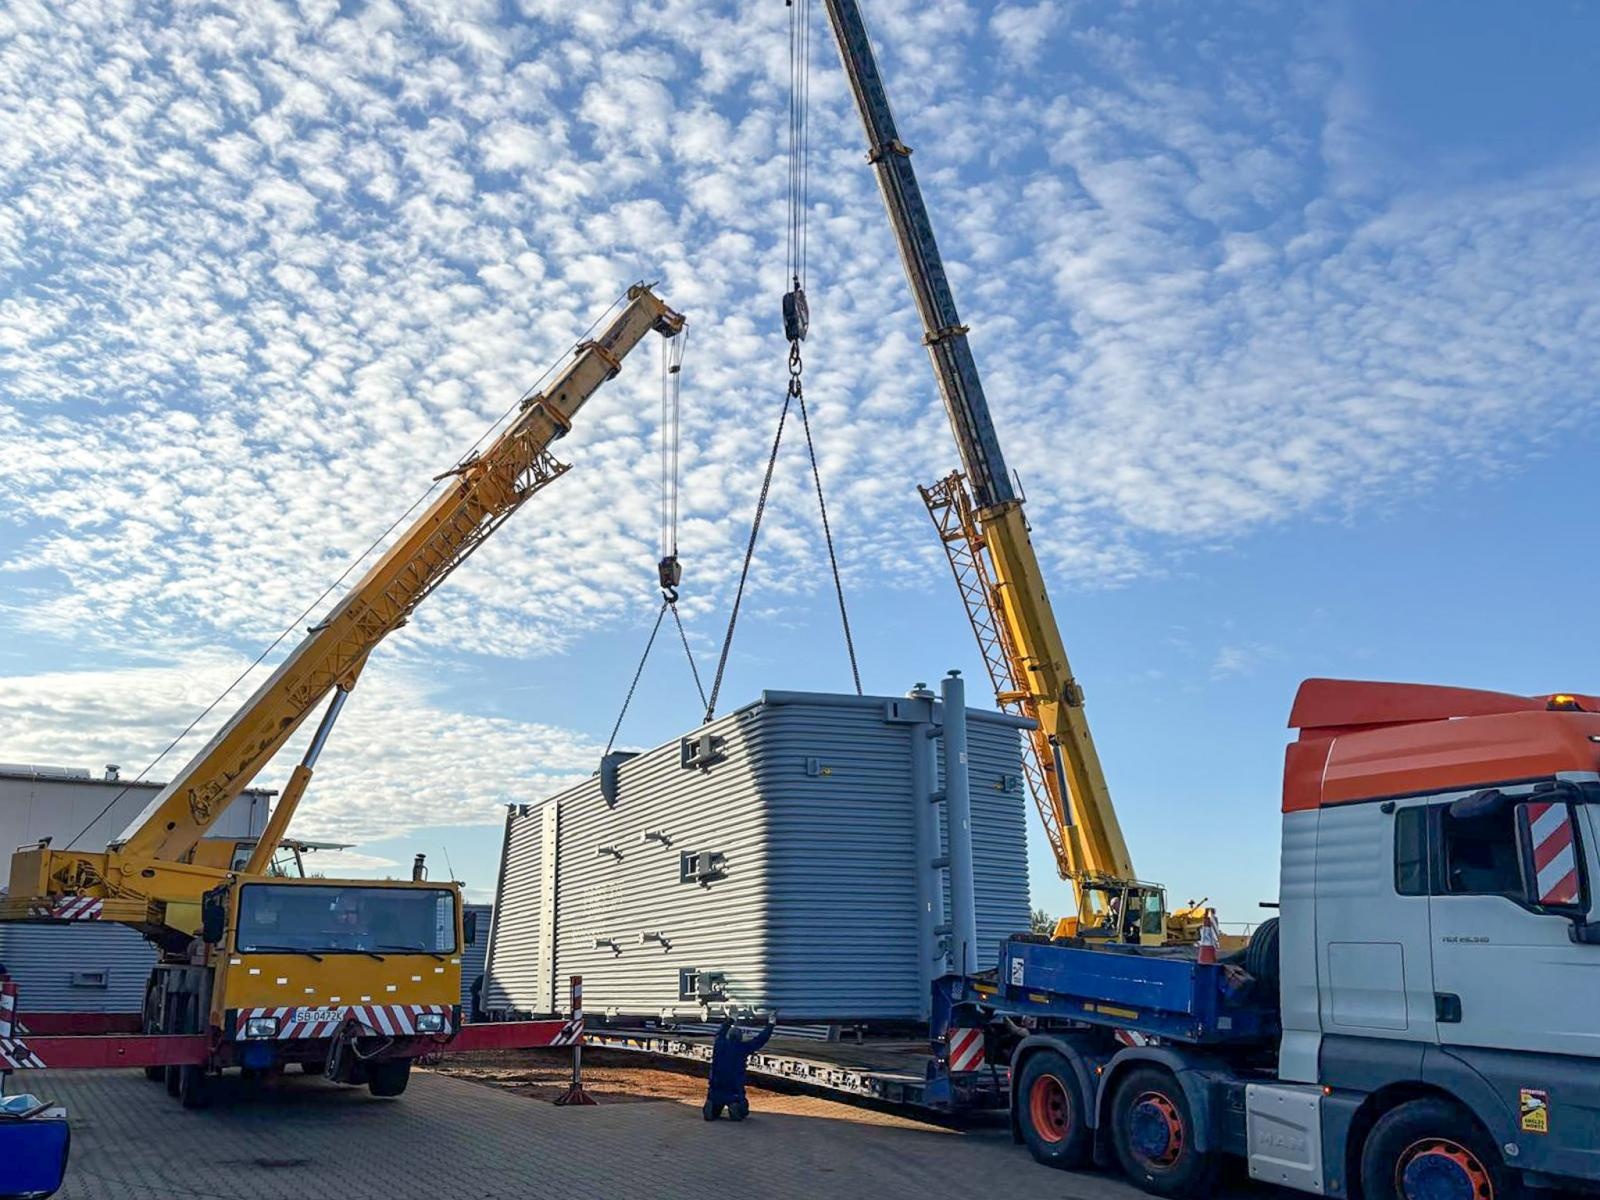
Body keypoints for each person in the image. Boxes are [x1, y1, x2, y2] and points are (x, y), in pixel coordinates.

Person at [703, 1009, 777, 1121]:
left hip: (716, 1087)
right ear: (740, 1038)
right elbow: (760, 1040)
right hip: (734, 1090)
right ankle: (736, 1107)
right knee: (742, 1106)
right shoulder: (743, 1048)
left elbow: (721, 1032)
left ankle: (712, 1105)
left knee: (715, 1098)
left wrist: (731, 1019)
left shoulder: (719, 1044)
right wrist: (771, 1024)